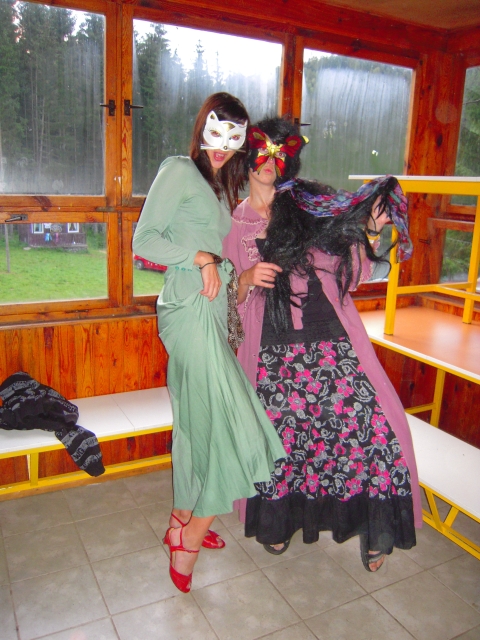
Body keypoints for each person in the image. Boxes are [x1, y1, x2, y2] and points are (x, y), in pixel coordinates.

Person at [223, 117, 421, 572]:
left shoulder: (310, 206)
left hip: (332, 342)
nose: (269, 163)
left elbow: (355, 273)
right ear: (246, 158)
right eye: (262, 153)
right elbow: (223, 300)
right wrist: (246, 278)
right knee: (281, 436)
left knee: (372, 426)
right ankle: (278, 522)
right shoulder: (233, 222)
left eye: (280, 155)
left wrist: (370, 230)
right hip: (271, 352)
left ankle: (374, 526)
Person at [132, 95, 285, 592]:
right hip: (188, 308)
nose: (223, 146)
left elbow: (222, 255)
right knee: (236, 425)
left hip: (212, 311)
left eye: (234, 137)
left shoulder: (219, 188)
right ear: (203, 128)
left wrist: (232, 271)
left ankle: (180, 518)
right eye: (217, 132)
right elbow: (143, 240)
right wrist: (200, 257)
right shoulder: (178, 169)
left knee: (196, 423)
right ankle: (191, 538)